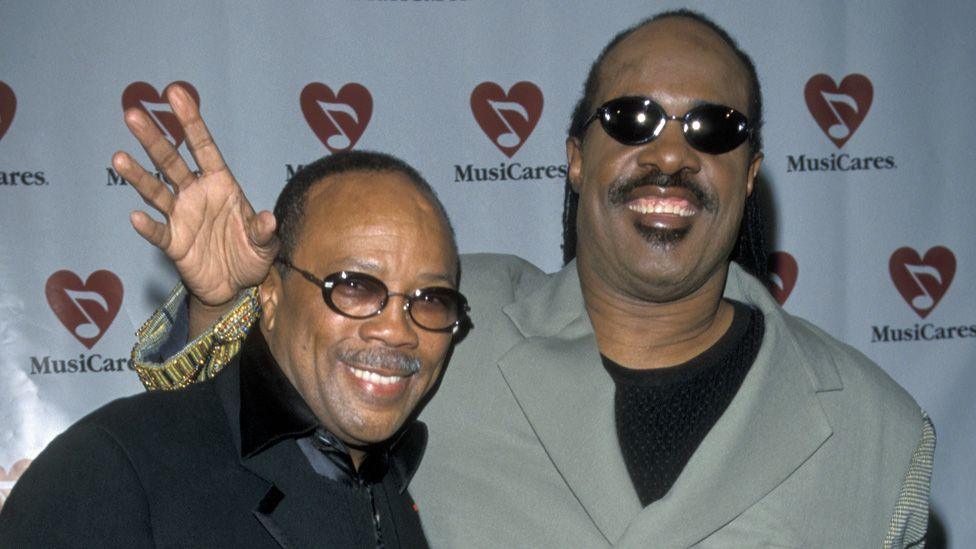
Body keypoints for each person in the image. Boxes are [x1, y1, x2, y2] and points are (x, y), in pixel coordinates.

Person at [60, 9, 936, 548]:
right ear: (574, 161)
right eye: (632, 119)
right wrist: (225, 301)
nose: (670, 153)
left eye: (713, 128)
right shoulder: (434, 321)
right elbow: (238, 460)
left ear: (749, 176)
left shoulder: (877, 429)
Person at [0, 94, 469, 546]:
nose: (396, 330)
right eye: (353, 286)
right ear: (269, 293)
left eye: (431, 300)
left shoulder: (393, 487)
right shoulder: (109, 471)